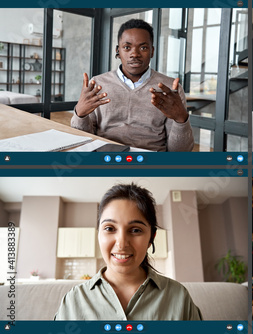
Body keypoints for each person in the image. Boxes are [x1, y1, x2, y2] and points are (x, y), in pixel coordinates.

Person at [55, 183, 202, 320]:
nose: (122, 243)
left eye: (136, 230)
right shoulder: (73, 300)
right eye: (110, 228)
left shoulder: (179, 297)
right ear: (99, 233)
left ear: (151, 237)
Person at [71, 19, 194, 152]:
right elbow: (82, 140)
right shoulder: (98, 84)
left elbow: (180, 152)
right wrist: (80, 115)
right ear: (118, 51)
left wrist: (181, 119)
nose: (135, 54)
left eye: (143, 47)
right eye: (127, 47)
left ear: (152, 51)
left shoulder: (171, 89)